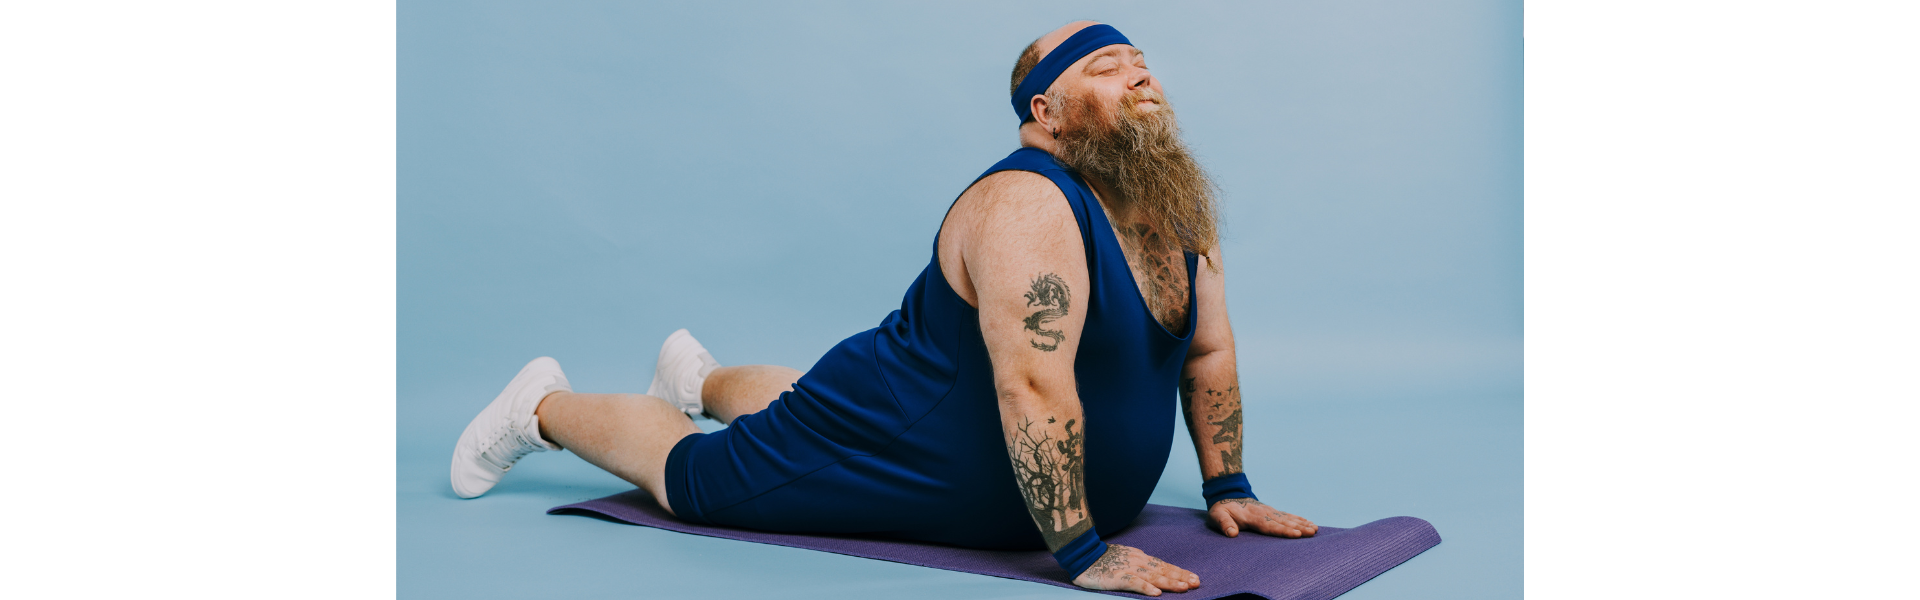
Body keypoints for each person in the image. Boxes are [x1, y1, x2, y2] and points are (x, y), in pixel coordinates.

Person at [448, 21, 1317, 597]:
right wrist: (1083, 551)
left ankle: (699, 380)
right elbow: (1031, 387)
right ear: (1046, 111)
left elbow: (1207, 352)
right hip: (909, 430)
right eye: (1106, 67)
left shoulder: (1174, 204)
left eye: (1140, 61)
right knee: (696, 479)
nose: (1139, 73)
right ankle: (542, 406)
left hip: (923, 424)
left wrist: (1228, 486)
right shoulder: (1030, 207)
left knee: (800, 412)